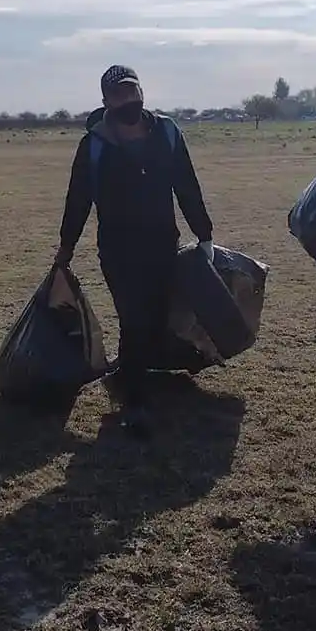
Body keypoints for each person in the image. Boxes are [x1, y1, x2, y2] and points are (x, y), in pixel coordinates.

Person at [55, 65, 215, 429]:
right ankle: (135, 403)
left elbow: (186, 186)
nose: (127, 99)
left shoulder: (168, 133)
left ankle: (130, 375)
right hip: (117, 249)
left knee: (156, 317)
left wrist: (204, 235)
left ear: (142, 91)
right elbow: (77, 201)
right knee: (133, 318)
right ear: (106, 101)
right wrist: (66, 248)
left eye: (132, 91)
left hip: (162, 244)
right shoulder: (94, 146)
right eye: (118, 95)